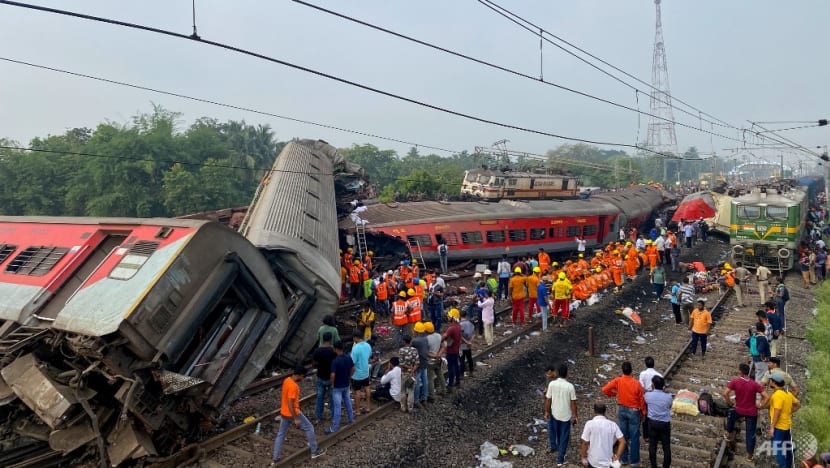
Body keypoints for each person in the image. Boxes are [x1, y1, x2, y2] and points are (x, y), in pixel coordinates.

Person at [271, 366, 326, 463]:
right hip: (292, 412)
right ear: (299, 375)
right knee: (309, 428)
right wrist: (295, 418)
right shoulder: (294, 386)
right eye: (303, 376)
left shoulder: (286, 380)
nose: (303, 378)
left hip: (283, 412)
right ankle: (314, 451)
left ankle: (276, 457)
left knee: (281, 434)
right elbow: (290, 403)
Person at [601, 361, 645, 467]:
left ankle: (623, 459)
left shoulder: (618, 380)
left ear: (622, 370)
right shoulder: (636, 383)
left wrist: (613, 394)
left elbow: (604, 389)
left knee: (622, 435)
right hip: (634, 411)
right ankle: (634, 461)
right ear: (631, 371)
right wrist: (643, 413)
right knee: (634, 436)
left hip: (622, 409)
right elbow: (641, 400)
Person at [723, 363, 769, 463]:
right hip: (752, 412)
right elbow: (767, 396)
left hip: (739, 409)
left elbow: (725, 393)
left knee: (731, 414)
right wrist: (760, 405)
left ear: (740, 371)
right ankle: (749, 456)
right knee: (750, 433)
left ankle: (728, 434)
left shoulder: (735, 381)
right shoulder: (754, 384)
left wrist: (731, 403)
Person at [545, 363, 578, 466]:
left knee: (558, 434)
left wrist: (546, 412)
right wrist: (575, 415)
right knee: (564, 436)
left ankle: (559, 451)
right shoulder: (570, 387)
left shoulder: (552, 384)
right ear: (567, 374)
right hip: (566, 415)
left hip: (554, 413)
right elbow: (573, 403)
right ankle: (560, 459)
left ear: (558, 373)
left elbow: (548, 400)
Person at [768, 374, 801, 468]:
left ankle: (783, 466)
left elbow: (777, 412)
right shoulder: (788, 394)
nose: (769, 382)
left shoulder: (777, 395)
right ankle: (788, 464)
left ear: (774, 382)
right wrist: (788, 413)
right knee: (788, 448)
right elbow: (798, 405)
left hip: (779, 427)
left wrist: (772, 427)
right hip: (786, 425)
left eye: (770, 380)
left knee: (778, 449)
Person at [580, 402, 625, 468]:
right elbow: (623, 442)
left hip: (593, 461)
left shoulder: (589, 424)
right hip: (607, 462)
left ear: (594, 411)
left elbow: (585, 443)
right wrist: (617, 456)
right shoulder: (613, 424)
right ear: (604, 412)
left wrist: (583, 457)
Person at [326, 341, 354, 434]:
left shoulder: (335, 361)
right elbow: (353, 368)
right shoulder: (348, 358)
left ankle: (334, 427)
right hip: (346, 384)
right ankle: (351, 419)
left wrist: (332, 383)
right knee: (348, 402)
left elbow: (333, 375)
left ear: (336, 349)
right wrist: (349, 377)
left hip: (337, 387)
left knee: (337, 406)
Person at [644, 376, 673, 468]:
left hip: (652, 423)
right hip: (664, 424)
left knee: (652, 445)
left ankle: (654, 465)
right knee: (666, 446)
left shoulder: (648, 395)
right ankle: (666, 466)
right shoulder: (668, 397)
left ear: (653, 384)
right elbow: (669, 406)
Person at [312, 332, 336, 423]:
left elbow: (314, 364)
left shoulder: (317, 350)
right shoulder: (333, 351)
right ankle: (333, 417)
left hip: (320, 377)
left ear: (323, 339)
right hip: (331, 378)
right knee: (332, 398)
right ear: (330, 339)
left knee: (319, 397)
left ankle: (318, 417)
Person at [410, 322, 430, 410]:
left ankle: (416, 400)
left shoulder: (415, 340)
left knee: (417, 382)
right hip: (425, 362)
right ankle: (424, 398)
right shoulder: (425, 338)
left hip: (417, 364)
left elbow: (409, 349)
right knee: (425, 380)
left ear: (416, 331)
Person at [351, 332, 372, 415]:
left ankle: (357, 410)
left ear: (356, 338)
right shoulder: (368, 345)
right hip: (366, 372)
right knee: (367, 388)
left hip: (357, 374)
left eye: (353, 338)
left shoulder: (355, 348)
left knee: (357, 391)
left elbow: (352, 362)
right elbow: (369, 356)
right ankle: (368, 407)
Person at [443, 308, 464, 390]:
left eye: (449, 316)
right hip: (456, 349)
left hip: (450, 350)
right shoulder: (458, 326)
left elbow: (444, 337)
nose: (448, 317)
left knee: (450, 367)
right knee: (456, 365)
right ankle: (458, 381)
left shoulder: (451, 328)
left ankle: (450, 384)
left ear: (453, 317)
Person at [424, 321, 446, 397]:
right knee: (440, 375)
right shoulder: (438, 335)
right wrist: (439, 354)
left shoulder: (426, 339)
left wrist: (433, 356)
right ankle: (444, 391)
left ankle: (432, 396)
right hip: (438, 360)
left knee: (430, 379)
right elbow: (443, 346)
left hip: (430, 362)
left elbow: (426, 352)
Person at [398, 335, 418, 413]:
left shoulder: (401, 350)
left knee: (403, 390)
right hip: (412, 373)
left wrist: (408, 368)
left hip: (404, 373)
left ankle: (403, 407)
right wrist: (412, 370)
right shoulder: (415, 350)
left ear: (404, 341)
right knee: (411, 390)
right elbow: (417, 363)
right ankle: (410, 408)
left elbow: (401, 364)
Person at [459, 310, 475, 376]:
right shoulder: (470, 323)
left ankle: (462, 373)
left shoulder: (460, 324)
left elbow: (460, 335)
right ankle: (471, 371)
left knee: (461, 359)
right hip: (469, 345)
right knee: (469, 358)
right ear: (466, 315)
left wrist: (466, 342)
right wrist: (469, 342)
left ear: (460, 315)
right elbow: (473, 334)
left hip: (462, 345)